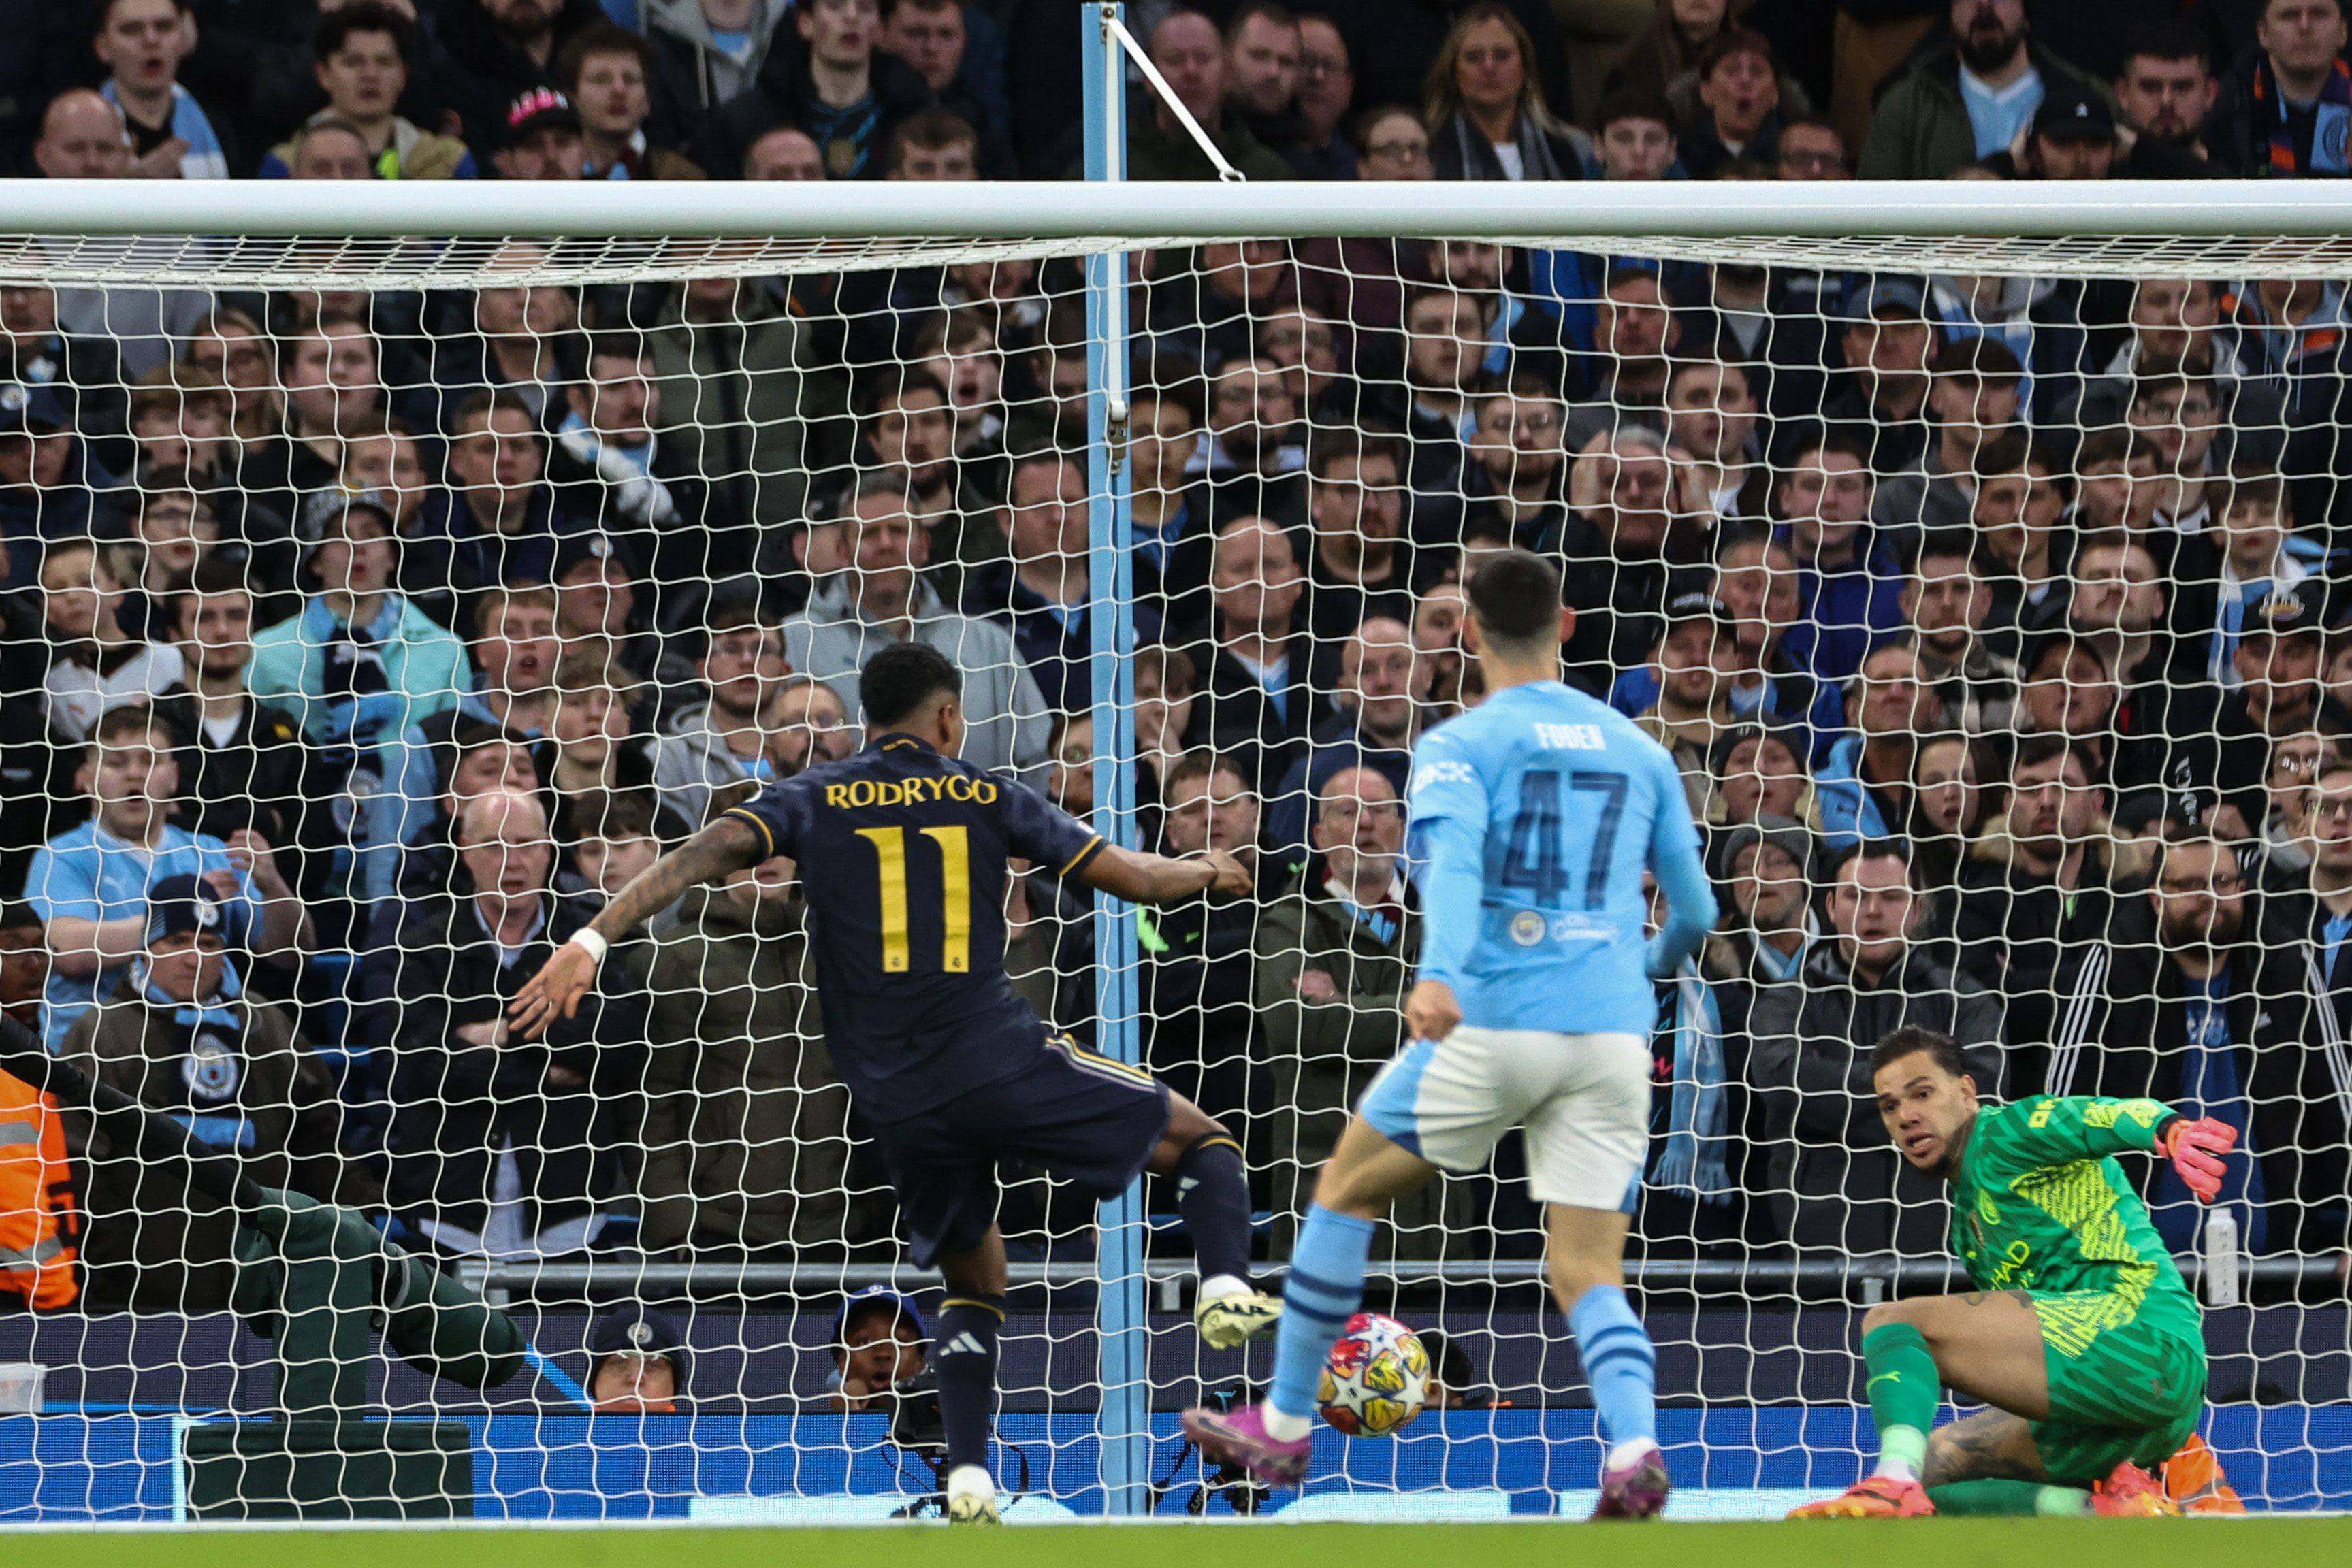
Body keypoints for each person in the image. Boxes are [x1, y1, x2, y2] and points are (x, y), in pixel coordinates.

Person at [512, 640, 1285, 1524]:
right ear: (948, 716)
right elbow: (1134, 879)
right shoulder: (983, 790)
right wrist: (1213, 871)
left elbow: (703, 851)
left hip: (898, 1103)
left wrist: (588, 940)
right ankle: (1224, 1287)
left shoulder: (814, 794)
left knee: (972, 1277)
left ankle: (964, 1474)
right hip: (998, 1056)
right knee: (1202, 1143)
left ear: (868, 717)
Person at [1182, 549, 1717, 1518]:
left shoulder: (1458, 744)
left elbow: (1458, 869)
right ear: (1564, 628)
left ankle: (1285, 1429)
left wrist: (1435, 974)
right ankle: (1632, 1446)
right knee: (1588, 1266)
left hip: (1503, 1017)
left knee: (1342, 1186)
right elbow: (1693, 909)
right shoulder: (1638, 749)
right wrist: (1635, 967)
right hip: (1609, 1039)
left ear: (1464, 637)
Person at [1789, 1026, 2234, 1519]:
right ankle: (2100, 1508)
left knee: (1891, 1322)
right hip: (2117, 1416)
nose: (1906, 1117)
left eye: (1922, 1094)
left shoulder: (2009, 1132)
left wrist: (2171, 1130)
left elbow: (2102, 1117)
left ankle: (1890, 1480)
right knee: (1933, 1467)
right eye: (1890, 1107)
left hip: (2144, 1341)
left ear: (1964, 1093)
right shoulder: (1967, 1225)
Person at [2208, 0, 2352, 177]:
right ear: (2263, 33)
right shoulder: (2230, 106)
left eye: (2319, 14)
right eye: (2289, 16)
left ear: (2343, 31)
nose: (2304, 26)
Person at [829, 1285, 926, 1411]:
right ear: (842, 1362)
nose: (882, 1354)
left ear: (920, 1363)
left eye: (898, 1341)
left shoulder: (946, 1414)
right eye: (864, 1342)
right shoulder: (815, 1426)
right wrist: (842, 1419)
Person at [586, 1305, 690, 1414]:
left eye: (653, 1365)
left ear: (673, 1384)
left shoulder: (702, 1430)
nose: (635, 1379)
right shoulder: (568, 1430)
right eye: (619, 1363)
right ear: (594, 1379)